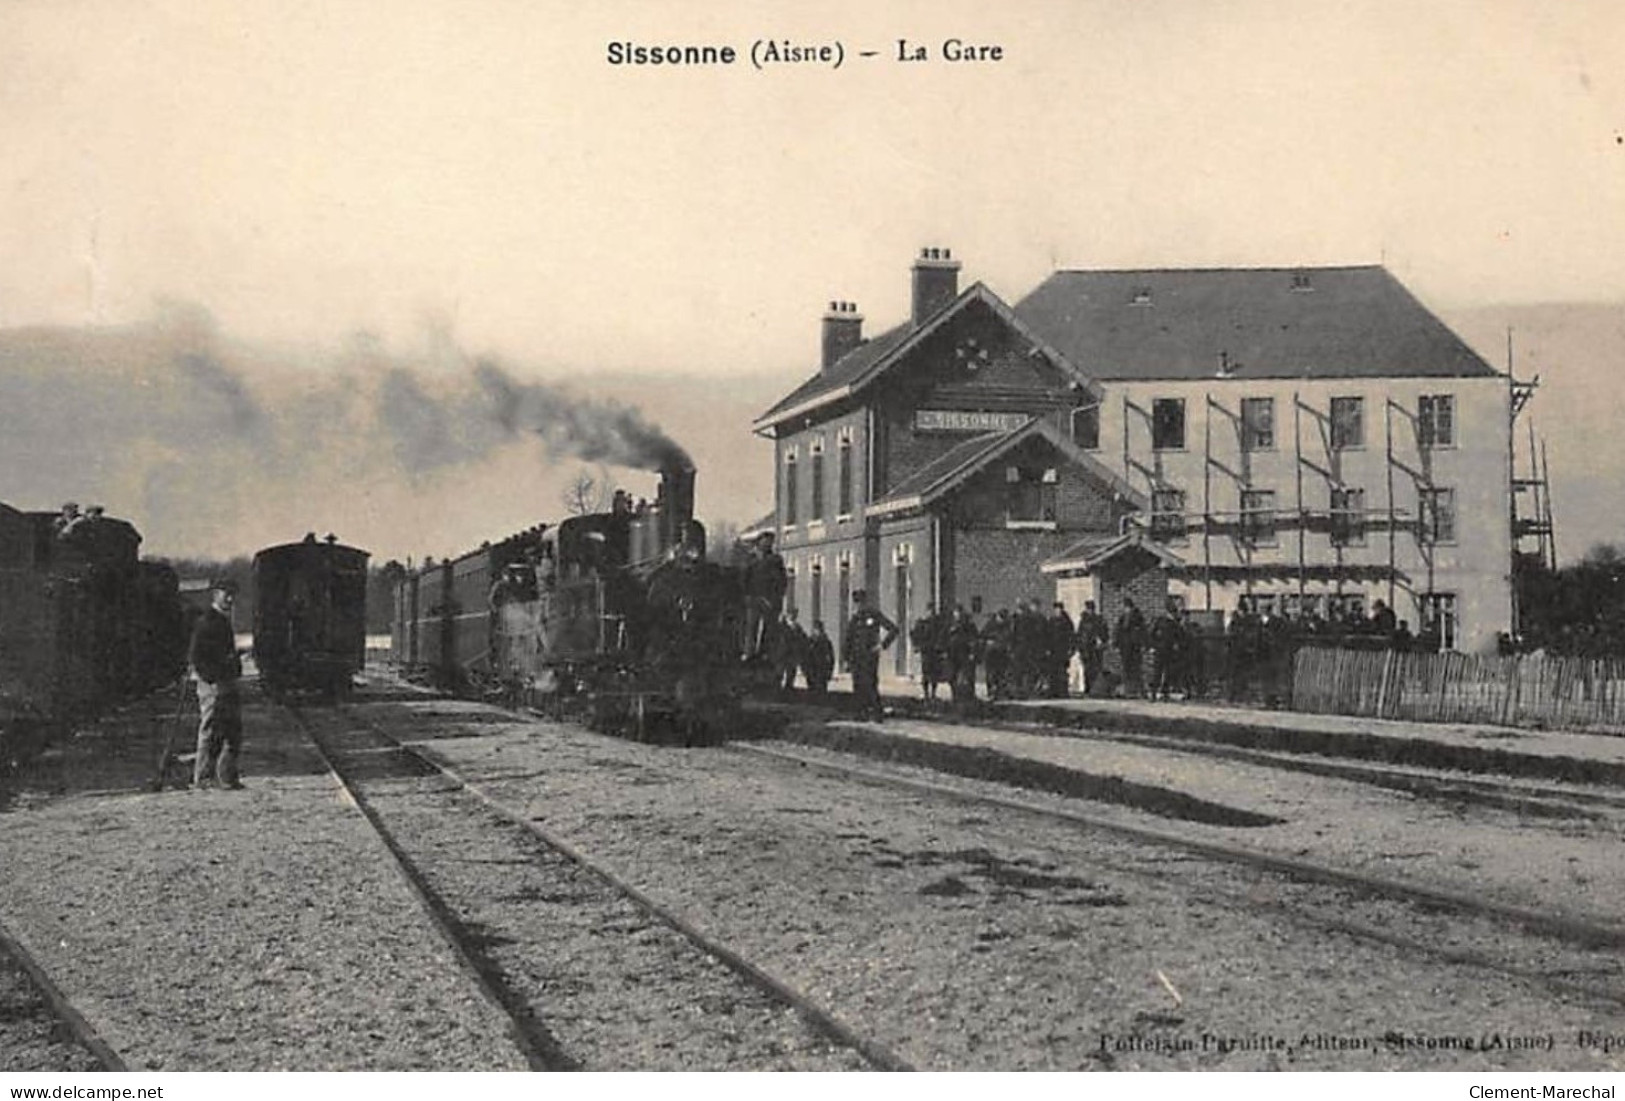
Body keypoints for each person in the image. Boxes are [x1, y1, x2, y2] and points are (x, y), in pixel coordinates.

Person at [189, 579, 245, 790]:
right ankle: (203, 778)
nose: (230, 599)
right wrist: (212, 679)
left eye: (232, 595)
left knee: (233, 732)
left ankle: (228, 777)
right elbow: (196, 656)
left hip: (227, 683)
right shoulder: (207, 621)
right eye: (225, 594)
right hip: (214, 686)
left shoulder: (222, 620)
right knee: (211, 731)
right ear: (215, 595)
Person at [844, 590, 898, 722]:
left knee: (871, 684)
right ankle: (861, 714)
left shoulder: (873, 615)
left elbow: (893, 629)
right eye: (856, 603)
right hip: (856, 657)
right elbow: (848, 640)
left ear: (865, 602)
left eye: (861, 602)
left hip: (869, 656)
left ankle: (877, 713)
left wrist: (882, 645)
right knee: (857, 685)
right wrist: (846, 659)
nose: (858, 606)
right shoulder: (854, 619)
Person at [742, 532, 787, 659]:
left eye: (770, 542)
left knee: (769, 627)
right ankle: (749, 651)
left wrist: (776, 597)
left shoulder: (776, 560)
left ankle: (765, 652)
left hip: (770, 600)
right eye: (765, 541)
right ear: (759, 542)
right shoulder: (752, 560)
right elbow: (744, 579)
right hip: (755, 598)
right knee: (752, 626)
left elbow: (782, 581)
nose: (767, 544)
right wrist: (748, 596)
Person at [910, 604, 947, 702]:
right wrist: (917, 646)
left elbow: (942, 636)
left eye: (932, 611)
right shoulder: (923, 623)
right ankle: (927, 694)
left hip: (934, 651)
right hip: (926, 651)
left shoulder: (938, 623)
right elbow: (915, 634)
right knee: (926, 673)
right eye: (930, 611)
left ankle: (933, 693)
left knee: (934, 673)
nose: (931, 613)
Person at [1074, 600, 1109, 697]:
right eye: (1088, 609)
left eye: (1091, 609)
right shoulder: (1083, 621)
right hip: (1086, 649)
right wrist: (1079, 647)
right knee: (1087, 669)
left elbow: (1104, 633)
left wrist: (1102, 641)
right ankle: (1087, 688)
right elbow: (1079, 635)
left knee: (1095, 669)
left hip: (1095, 649)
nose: (1090, 611)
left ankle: (1095, 689)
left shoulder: (1099, 620)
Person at [1115, 598, 1148, 698]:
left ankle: (1138, 691)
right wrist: (1117, 644)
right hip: (1126, 647)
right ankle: (1130, 691)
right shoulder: (1123, 618)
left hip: (1133, 647)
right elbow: (1118, 631)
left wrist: (1143, 644)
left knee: (1135, 669)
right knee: (1128, 669)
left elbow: (1142, 632)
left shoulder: (1137, 617)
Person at [770, 607, 807, 693]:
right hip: (782, 654)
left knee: (791, 672)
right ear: (788, 615)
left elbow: (802, 639)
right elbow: (775, 639)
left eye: (795, 615)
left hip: (793, 654)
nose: (793, 616)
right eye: (791, 614)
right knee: (779, 672)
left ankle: (788, 688)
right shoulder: (781, 627)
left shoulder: (797, 628)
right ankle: (777, 689)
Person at [1045, 602, 1076, 698]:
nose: (1057, 611)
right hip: (1053, 649)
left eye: (1059, 609)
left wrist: (1071, 649)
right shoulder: (1051, 621)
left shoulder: (1066, 622)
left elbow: (1071, 636)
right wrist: (1047, 648)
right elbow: (1047, 636)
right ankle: (1053, 691)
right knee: (1053, 671)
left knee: (1062, 671)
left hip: (1063, 649)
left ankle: (1063, 691)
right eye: (1055, 609)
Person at [804, 620, 835, 696]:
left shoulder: (826, 642)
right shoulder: (810, 642)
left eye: (819, 630)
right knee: (811, 692)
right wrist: (806, 671)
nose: (817, 632)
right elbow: (806, 656)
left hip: (822, 671)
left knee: (821, 692)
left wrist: (829, 672)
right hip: (811, 671)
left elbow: (830, 658)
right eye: (816, 629)